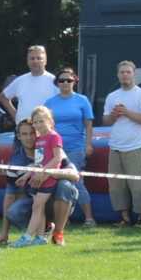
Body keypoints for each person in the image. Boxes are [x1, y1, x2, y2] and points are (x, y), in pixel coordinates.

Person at [0, 117, 77, 246]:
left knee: (65, 186)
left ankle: (58, 233)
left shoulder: (54, 149)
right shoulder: (15, 162)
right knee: (13, 212)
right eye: (24, 134)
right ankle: (43, 229)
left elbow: (75, 175)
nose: (29, 137)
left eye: (32, 133)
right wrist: (4, 233)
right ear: (18, 136)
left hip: (55, 196)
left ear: (38, 132)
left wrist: (48, 173)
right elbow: (9, 196)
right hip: (34, 198)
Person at [101, 59, 141, 225]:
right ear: (118, 75)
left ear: (134, 74)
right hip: (115, 146)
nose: (125, 75)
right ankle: (124, 217)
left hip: (136, 146)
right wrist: (114, 115)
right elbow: (105, 121)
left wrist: (127, 112)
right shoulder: (112, 96)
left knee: (137, 185)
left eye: (128, 72)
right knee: (117, 186)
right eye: (122, 72)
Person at [45, 67, 97, 225]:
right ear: (57, 83)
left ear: (75, 81)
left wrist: (88, 144)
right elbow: (46, 125)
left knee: (76, 180)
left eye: (69, 80)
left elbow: (88, 125)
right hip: (56, 148)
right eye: (62, 80)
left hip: (76, 147)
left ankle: (89, 217)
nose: (65, 83)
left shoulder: (82, 100)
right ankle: (63, 219)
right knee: (55, 182)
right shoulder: (50, 102)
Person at [0, 44, 57, 126]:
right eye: (32, 58)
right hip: (23, 130)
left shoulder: (54, 81)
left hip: (45, 130)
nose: (35, 61)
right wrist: (16, 116)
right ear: (28, 61)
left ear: (45, 61)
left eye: (39, 58)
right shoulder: (20, 80)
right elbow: (3, 97)